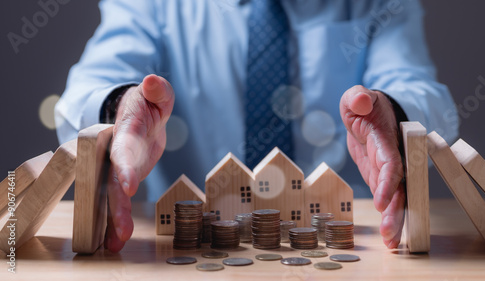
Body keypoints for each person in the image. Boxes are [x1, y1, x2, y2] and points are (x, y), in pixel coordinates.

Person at [55, 0, 458, 252]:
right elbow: (87, 90)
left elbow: (421, 90)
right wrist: (121, 108)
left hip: (346, 243)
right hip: (183, 249)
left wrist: (394, 111)